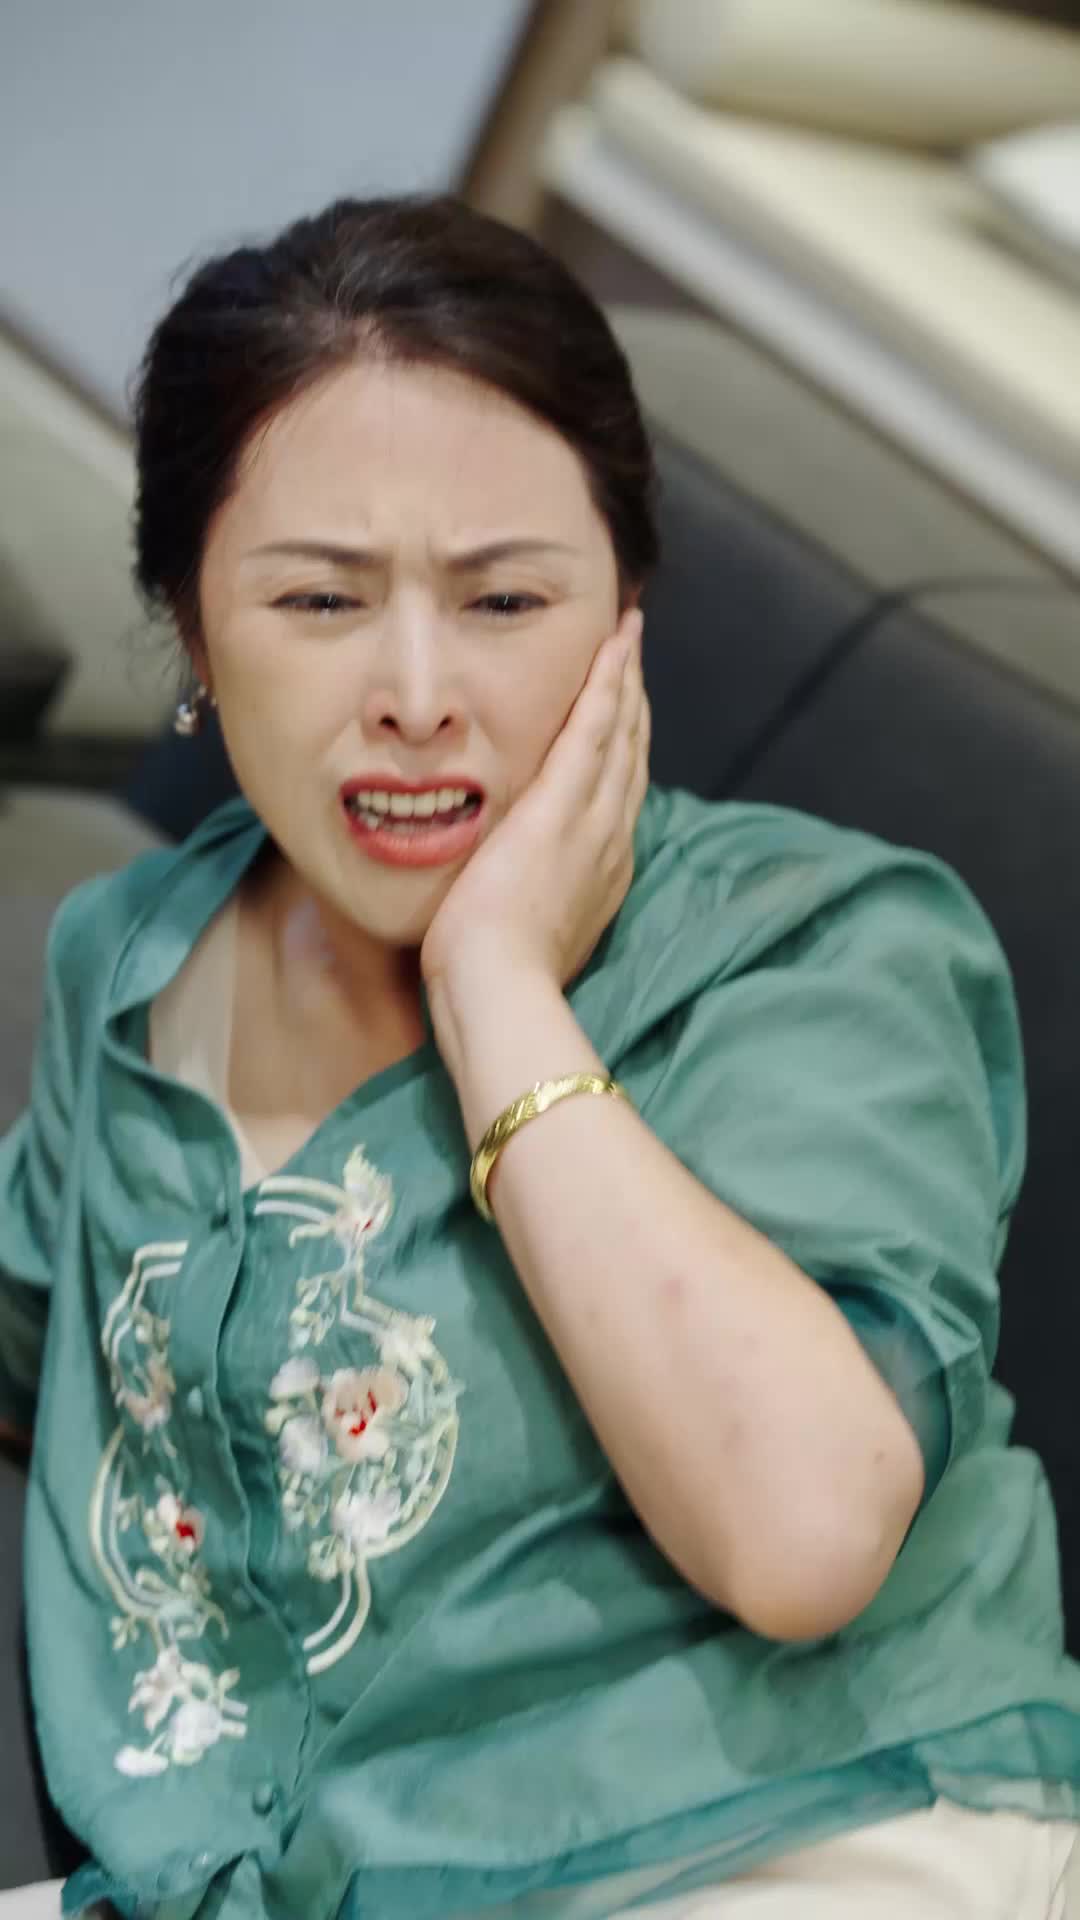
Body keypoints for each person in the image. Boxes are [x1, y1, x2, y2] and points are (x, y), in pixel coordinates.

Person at [1, 194, 1078, 1920]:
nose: (418, 693)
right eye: (321, 599)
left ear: (623, 616)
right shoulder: (131, 968)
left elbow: (803, 1538)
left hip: (814, 1839)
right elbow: (44, 1322)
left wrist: (497, 988)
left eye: (504, 599)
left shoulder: (821, 950)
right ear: (195, 631)